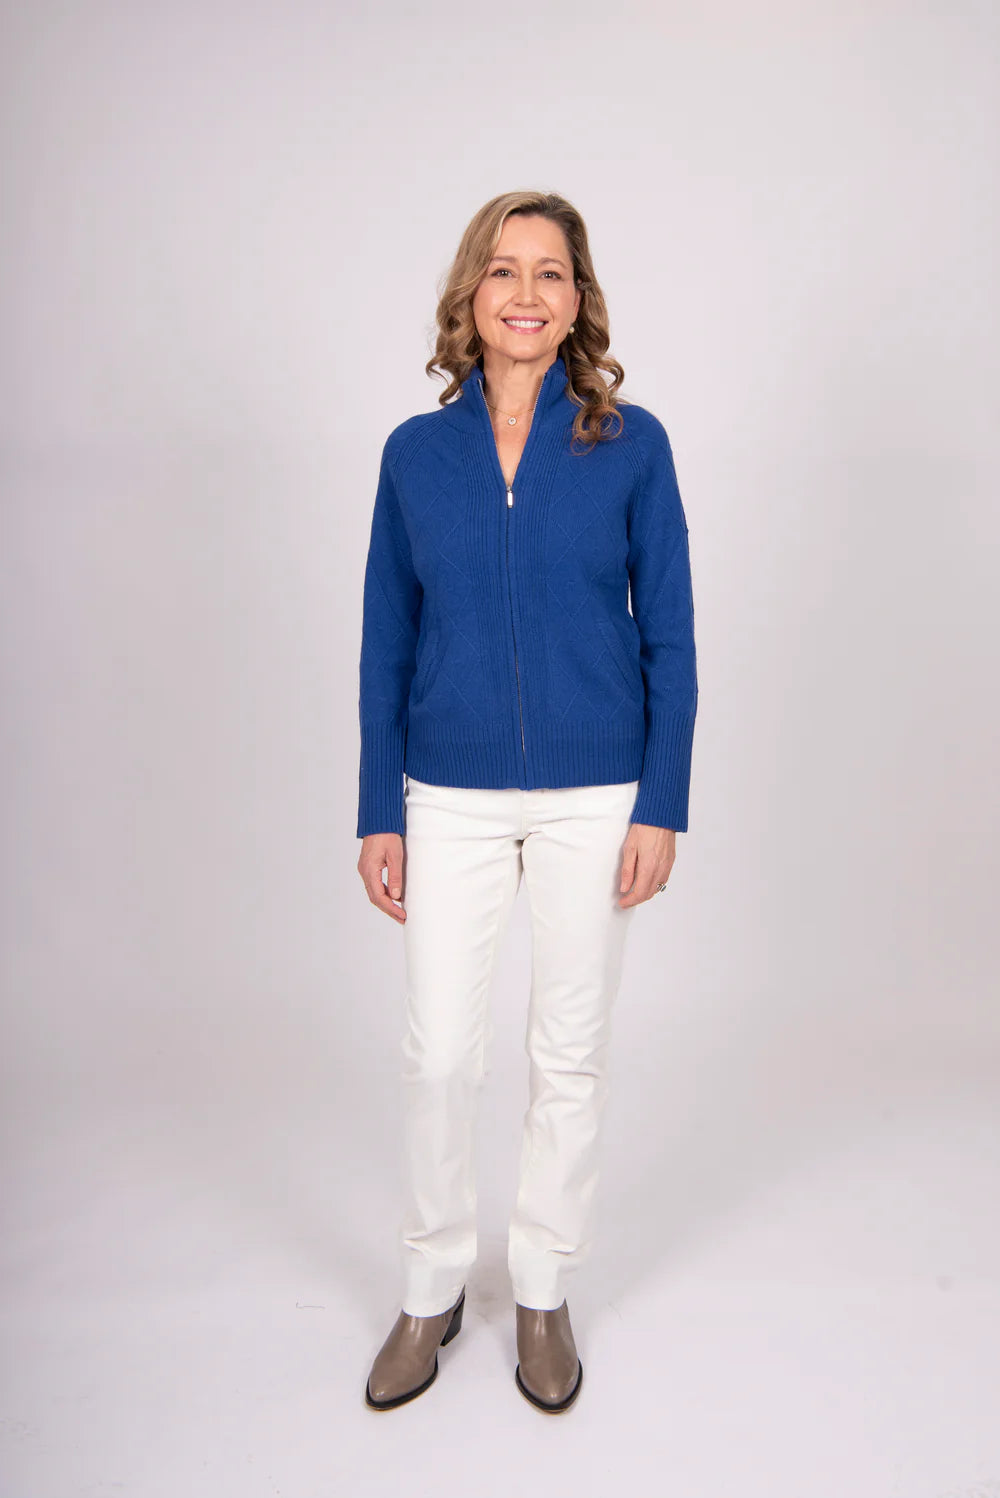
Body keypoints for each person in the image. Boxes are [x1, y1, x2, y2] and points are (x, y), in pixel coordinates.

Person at [356, 189, 698, 1413]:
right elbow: (385, 640)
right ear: (471, 293)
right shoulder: (414, 455)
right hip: (446, 792)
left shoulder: (631, 444)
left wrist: (661, 800)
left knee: (569, 1051)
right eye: (504, 270)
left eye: (550, 273)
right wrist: (378, 806)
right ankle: (433, 1283)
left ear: (576, 300)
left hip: (596, 792)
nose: (525, 293)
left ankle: (543, 1286)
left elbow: (670, 633)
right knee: (440, 1052)